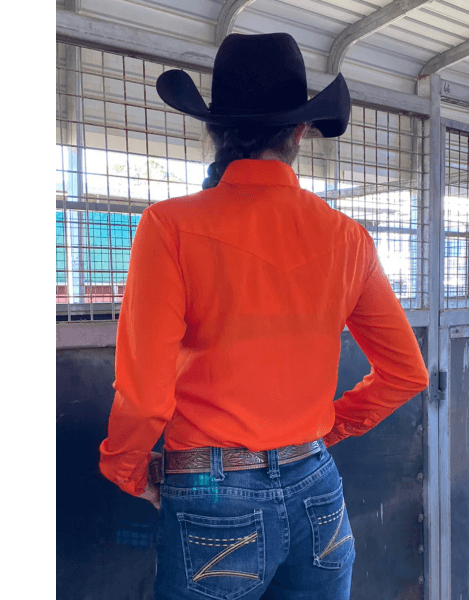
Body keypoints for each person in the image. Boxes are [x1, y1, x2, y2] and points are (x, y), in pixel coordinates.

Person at [99, 32, 429, 600]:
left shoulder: (169, 227)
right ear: (299, 132)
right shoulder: (348, 238)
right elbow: (407, 374)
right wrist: (326, 428)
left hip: (211, 491)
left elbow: (147, 396)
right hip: (317, 488)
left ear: (215, 131)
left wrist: (128, 469)